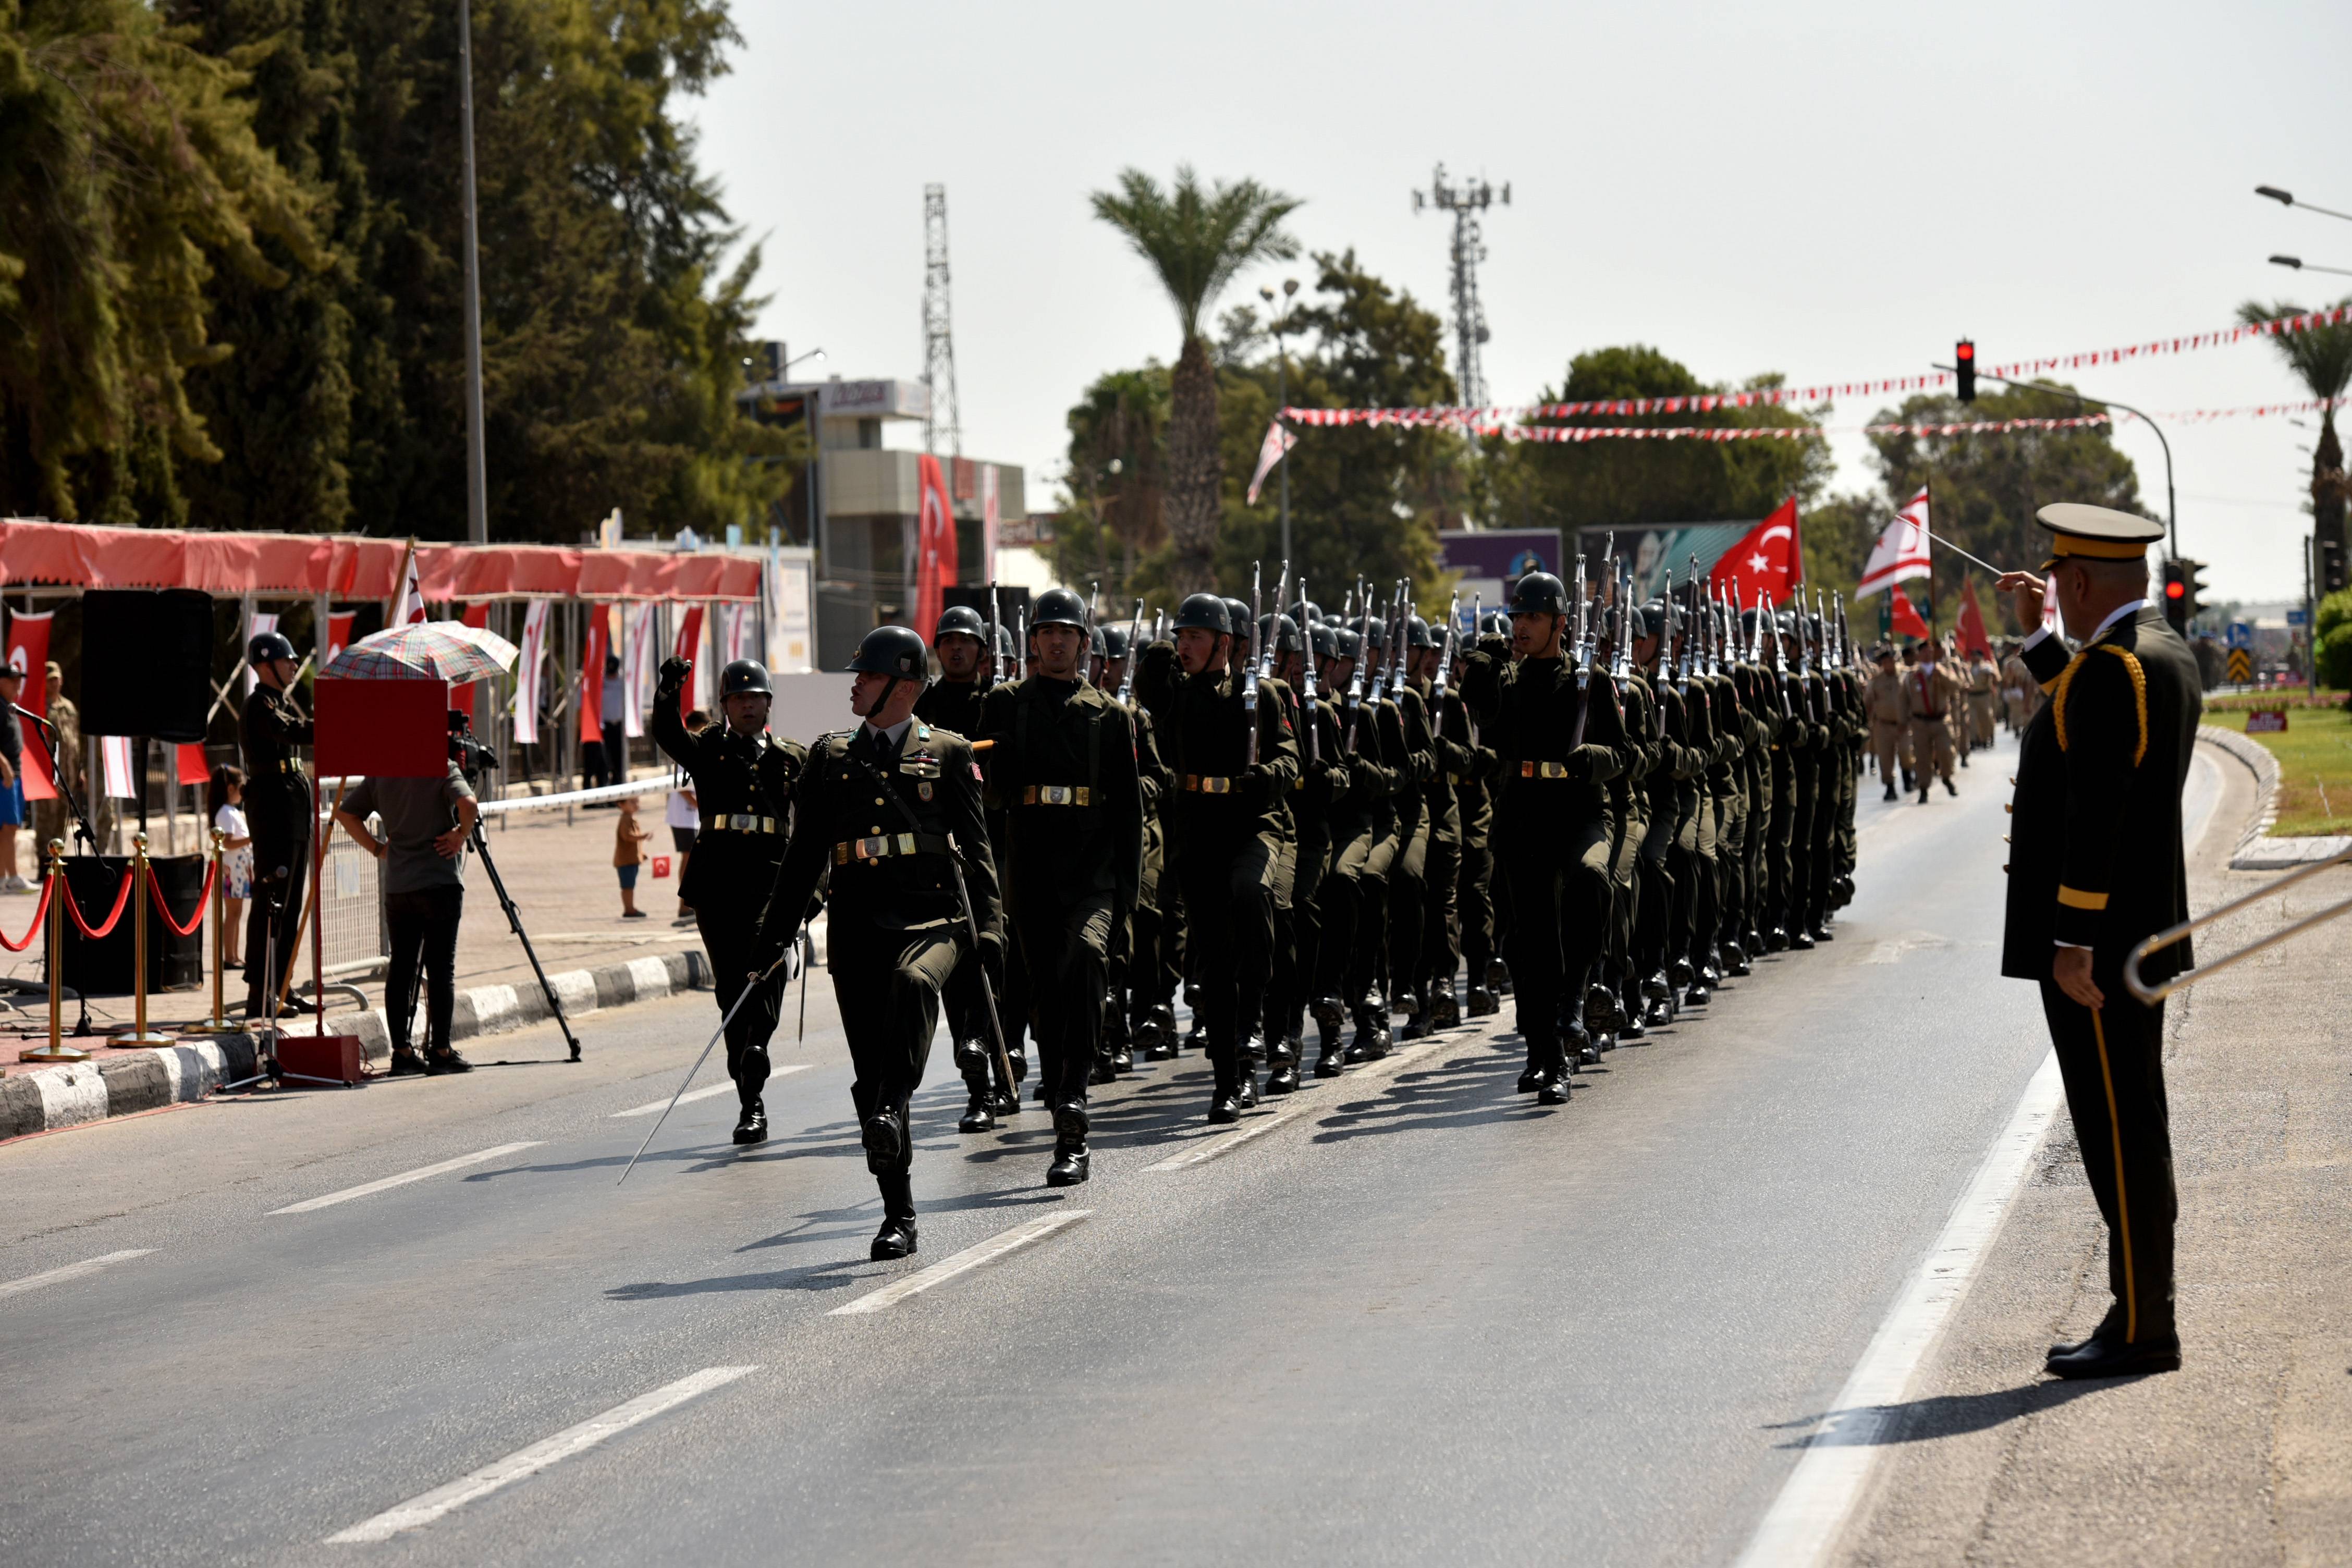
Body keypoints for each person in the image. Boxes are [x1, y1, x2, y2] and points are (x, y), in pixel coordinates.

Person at [1995, 503, 2198, 1380]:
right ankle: (2140, 1309)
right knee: (2130, 1124)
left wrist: (2071, 938)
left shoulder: (2115, 669)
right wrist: (2039, 639)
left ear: (2076, 581)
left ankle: (2144, 1324)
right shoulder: (2156, 651)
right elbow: (2089, 725)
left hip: (2101, 951)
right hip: (2137, 933)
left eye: (2055, 585)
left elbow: (2096, 809)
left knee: (2120, 1133)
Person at [754, 624, 1002, 1261]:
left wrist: (992, 929)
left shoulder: (947, 753)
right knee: (869, 1076)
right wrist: (773, 935)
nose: (856, 683)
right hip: (858, 927)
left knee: (914, 985)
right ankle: (899, 1213)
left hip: (931, 921)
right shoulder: (830, 757)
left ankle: (895, 1103)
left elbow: (978, 855)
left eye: (868, 674)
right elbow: (802, 857)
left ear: (905, 686)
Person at [974, 588, 1143, 1185]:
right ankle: (1064, 1123)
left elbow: (1129, 814)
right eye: (1046, 631)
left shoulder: (1110, 715)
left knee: (1088, 958)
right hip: (1032, 872)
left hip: (1092, 873)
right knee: (1046, 996)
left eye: (1066, 632)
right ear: (1033, 641)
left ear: (1084, 643)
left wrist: (1128, 900)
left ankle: (1074, 1097)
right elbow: (987, 793)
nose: (1055, 641)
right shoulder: (1005, 704)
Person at [1459, 571, 1631, 1103]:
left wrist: (1594, 757)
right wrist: (1482, 666)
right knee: (1532, 944)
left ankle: (1576, 996)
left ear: (1559, 623)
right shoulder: (1509, 680)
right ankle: (1548, 1057)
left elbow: (1623, 754)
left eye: (1533, 617)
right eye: (1517, 616)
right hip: (1524, 814)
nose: (1521, 626)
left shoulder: (1588, 679)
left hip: (1579, 809)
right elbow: (1483, 713)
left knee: (1592, 878)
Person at [1135, 593, 1299, 1121]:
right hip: (1198, 833)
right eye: (1181, 637)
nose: (1185, 646)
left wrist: (1267, 776)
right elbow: (1149, 691)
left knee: (1251, 893)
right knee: (1215, 961)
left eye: (1195, 637)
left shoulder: (1261, 694)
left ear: (1224, 643)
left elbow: (1290, 756)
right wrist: (1160, 652)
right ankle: (1228, 1080)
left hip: (1252, 824)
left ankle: (1254, 1021)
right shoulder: (1177, 694)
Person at [652, 656, 808, 1144]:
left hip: (773, 879)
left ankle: (758, 1044)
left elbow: (815, 829)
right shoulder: (709, 749)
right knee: (732, 990)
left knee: (771, 964)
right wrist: (668, 691)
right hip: (718, 881)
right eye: (738, 698)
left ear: (768, 704)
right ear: (724, 705)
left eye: (755, 697)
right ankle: (750, 1101)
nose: (747, 705)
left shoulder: (792, 757)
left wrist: (814, 889)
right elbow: (668, 734)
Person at [335, 722, 481, 1075]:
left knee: (401, 969)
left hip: (399, 886)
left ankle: (401, 1052)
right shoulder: (441, 767)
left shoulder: (383, 773)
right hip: (439, 882)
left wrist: (378, 849)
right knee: (440, 968)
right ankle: (441, 1050)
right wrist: (460, 834)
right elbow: (469, 803)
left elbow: (345, 813)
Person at [239, 631, 315, 1019]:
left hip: (292, 809)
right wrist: (332, 723)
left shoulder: (278, 702)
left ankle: (282, 985)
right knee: (272, 902)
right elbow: (288, 731)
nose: (294, 666)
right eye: (288, 660)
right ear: (266, 665)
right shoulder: (259, 705)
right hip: (273, 811)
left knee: (291, 904)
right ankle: (261, 992)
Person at [32, 661, 81, 858]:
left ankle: (57, 857)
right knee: (47, 816)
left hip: (68, 772)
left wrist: (80, 771)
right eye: (50, 680)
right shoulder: (41, 707)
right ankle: (43, 859)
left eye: (57, 679)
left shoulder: (68, 707)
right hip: (49, 772)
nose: (54, 683)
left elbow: (75, 739)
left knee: (63, 814)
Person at [1904, 639, 1960, 802]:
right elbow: (1904, 700)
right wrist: (1903, 721)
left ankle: (1947, 777)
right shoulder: (1912, 676)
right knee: (1922, 756)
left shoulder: (1942, 670)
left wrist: (1941, 675)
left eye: (1930, 652)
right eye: (1924, 652)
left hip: (1941, 720)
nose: (1928, 655)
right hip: (1920, 722)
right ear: (1919, 655)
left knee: (1946, 751)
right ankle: (1924, 788)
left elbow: (1956, 685)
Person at [666, 709, 706, 925]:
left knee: (693, 859)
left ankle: (689, 903)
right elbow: (680, 787)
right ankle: (684, 906)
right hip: (682, 817)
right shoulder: (684, 748)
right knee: (688, 859)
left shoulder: (697, 749)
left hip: (692, 817)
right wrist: (701, 804)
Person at [210, 765, 254, 962]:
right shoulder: (226, 813)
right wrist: (252, 838)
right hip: (232, 871)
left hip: (238, 871)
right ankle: (229, 956)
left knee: (236, 913)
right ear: (230, 788)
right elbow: (226, 843)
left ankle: (234, 956)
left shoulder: (231, 811)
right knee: (233, 914)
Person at [1865, 646, 1906, 801]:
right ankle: (1890, 786)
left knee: (1906, 753)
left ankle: (1908, 776)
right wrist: (1867, 721)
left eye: (1891, 661)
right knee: (1885, 758)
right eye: (1886, 661)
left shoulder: (1904, 676)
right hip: (1883, 724)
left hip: (1903, 724)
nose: (1889, 664)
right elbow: (1869, 701)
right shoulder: (1876, 680)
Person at [0, 663, 23, 890]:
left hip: (14, 773)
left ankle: (2, 879)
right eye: (13, 680)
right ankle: (13, 877)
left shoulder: (9, 706)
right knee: (8, 826)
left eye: (19, 680)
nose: (18, 684)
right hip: (4, 775)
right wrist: (5, 766)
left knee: (9, 827)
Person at [614, 795, 652, 918]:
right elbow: (628, 837)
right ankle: (629, 909)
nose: (636, 805)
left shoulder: (631, 819)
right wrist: (643, 837)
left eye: (637, 802)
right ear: (621, 804)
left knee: (630, 885)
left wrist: (641, 854)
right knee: (628, 887)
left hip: (631, 860)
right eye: (632, 802)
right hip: (626, 861)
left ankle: (630, 908)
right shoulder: (625, 819)